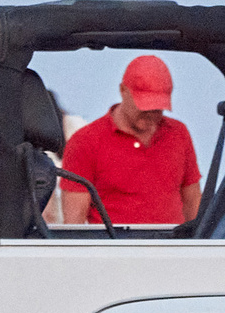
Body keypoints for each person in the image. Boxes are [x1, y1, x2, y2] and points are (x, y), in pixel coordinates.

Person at [54, 54, 202, 226]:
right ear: (123, 91)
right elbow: (74, 223)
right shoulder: (85, 142)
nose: (151, 115)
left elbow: (193, 203)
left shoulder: (178, 133)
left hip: (173, 248)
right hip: (115, 250)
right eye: (144, 107)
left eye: (157, 109)